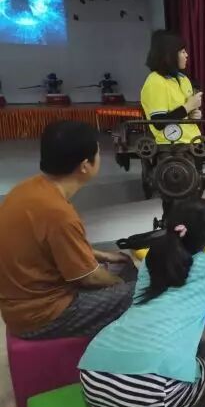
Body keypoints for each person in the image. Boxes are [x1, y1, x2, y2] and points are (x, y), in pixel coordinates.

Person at [78, 192, 205, 407]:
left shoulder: (153, 259)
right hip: (149, 392)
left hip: (93, 376)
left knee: (190, 357)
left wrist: (200, 214)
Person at [0, 121, 136, 339]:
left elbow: (53, 246)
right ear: (85, 165)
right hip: (43, 315)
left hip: (20, 303)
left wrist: (101, 255)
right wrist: (120, 287)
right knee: (142, 292)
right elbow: (89, 278)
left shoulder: (28, 189)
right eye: (98, 153)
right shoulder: (58, 213)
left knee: (123, 263)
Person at [141, 30, 203, 144]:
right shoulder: (155, 81)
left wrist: (193, 114)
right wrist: (187, 107)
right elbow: (158, 123)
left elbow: (184, 113)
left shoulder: (183, 79)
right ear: (170, 55)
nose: (186, 55)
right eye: (182, 51)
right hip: (172, 147)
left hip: (194, 141)